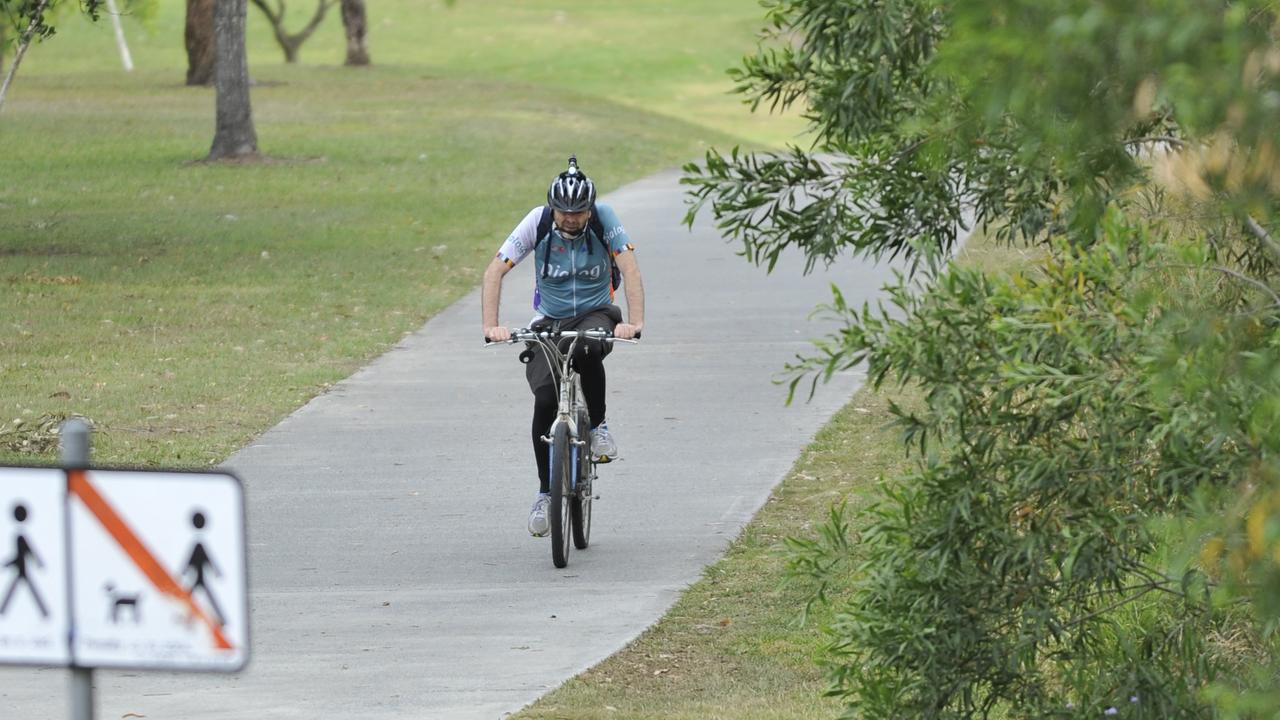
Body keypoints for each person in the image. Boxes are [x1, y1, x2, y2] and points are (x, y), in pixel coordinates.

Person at [482, 156, 645, 537]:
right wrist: (492, 326)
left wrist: (633, 323)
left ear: (589, 208)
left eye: (579, 211)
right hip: (550, 321)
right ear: (553, 207)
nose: (570, 219)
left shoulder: (605, 219)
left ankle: (599, 425)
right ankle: (545, 492)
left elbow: (631, 269)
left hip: (597, 311)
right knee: (543, 400)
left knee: (587, 347)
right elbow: (495, 270)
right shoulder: (537, 222)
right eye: (564, 212)